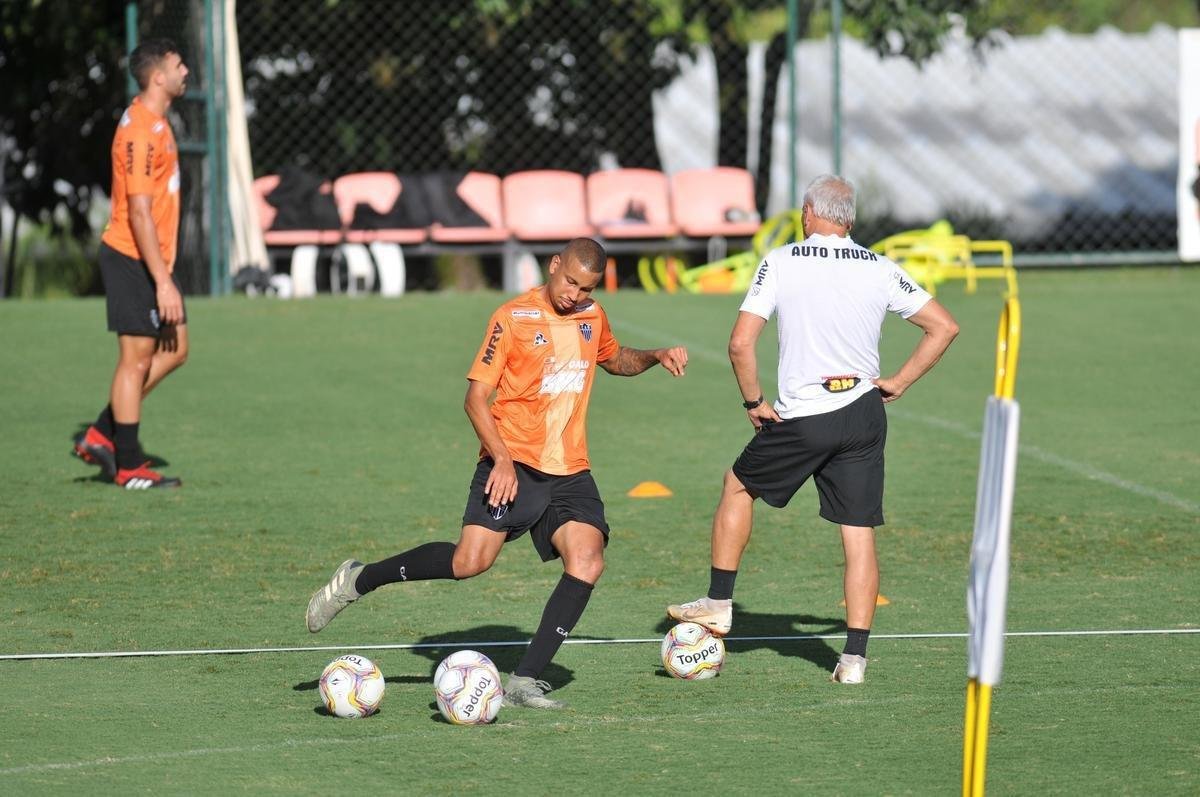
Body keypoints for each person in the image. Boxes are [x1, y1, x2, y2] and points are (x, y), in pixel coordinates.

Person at [307, 238, 688, 709]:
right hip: (512, 460)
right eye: (569, 281)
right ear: (554, 266)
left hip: (569, 469)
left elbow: (612, 359)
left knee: (587, 560)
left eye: (585, 287)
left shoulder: (593, 315)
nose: (574, 294)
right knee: (470, 562)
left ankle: (525, 680)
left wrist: (654, 355)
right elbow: (474, 400)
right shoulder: (513, 317)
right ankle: (359, 580)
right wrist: (502, 459)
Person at [666, 175, 959, 685]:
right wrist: (901, 382)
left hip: (806, 412)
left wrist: (754, 401)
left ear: (807, 213)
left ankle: (718, 603)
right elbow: (944, 326)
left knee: (738, 486)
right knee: (859, 535)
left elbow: (740, 343)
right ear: (849, 220)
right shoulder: (879, 266)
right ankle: (853, 660)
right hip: (865, 411)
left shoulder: (782, 260)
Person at [73, 39, 189, 489]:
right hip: (132, 256)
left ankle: (103, 432)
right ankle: (128, 464)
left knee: (174, 348)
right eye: (180, 66)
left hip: (150, 258)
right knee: (135, 360)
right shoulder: (140, 130)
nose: (187, 72)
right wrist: (163, 281)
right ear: (158, 76)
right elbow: (138, 211)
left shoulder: (156, 123)